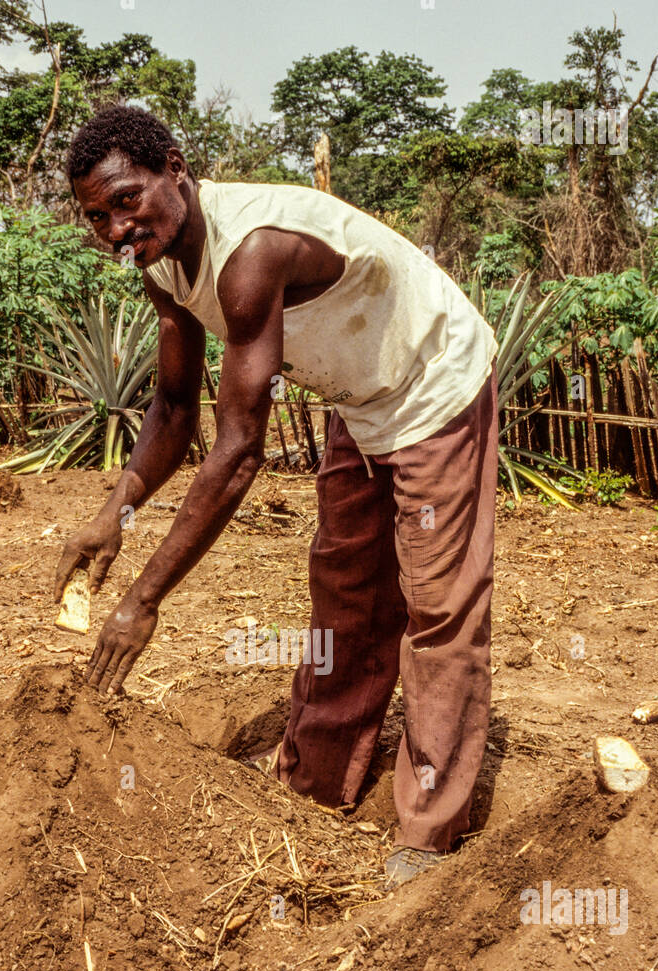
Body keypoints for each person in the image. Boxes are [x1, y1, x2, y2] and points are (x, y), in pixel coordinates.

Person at [55, 104, 499, 886]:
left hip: (430, 380)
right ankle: (318, 780)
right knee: (346, 589)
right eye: (98, 217)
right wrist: (113, 515)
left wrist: (144, 599)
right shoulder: (162, 264)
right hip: (358, 397)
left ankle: (428, 830)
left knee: (437, 603)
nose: (118, 227)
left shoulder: (251, 251)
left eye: (128, 200)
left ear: (176, 170)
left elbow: (236, 452)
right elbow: (172, 408)